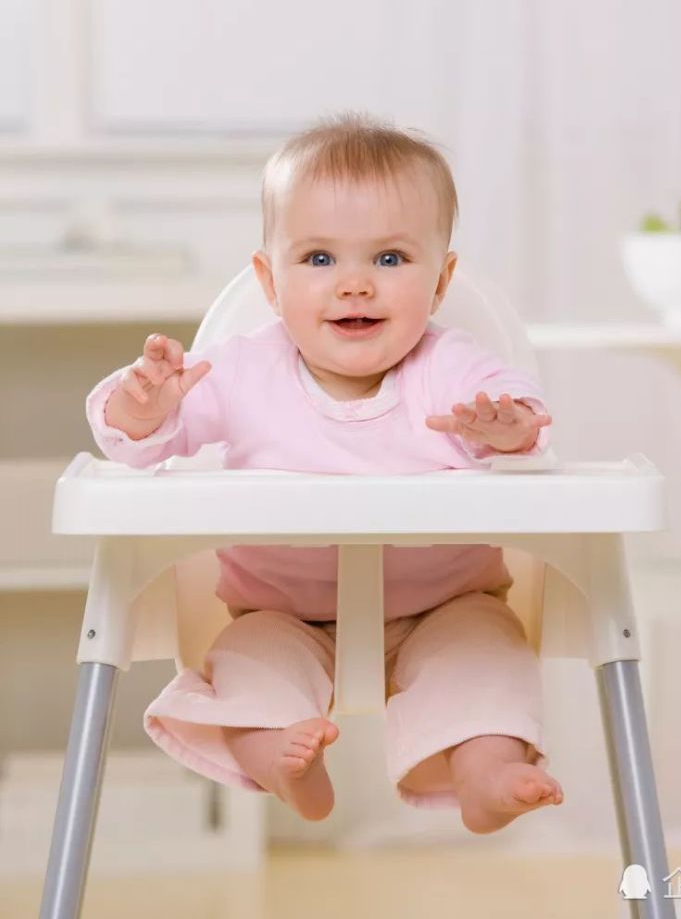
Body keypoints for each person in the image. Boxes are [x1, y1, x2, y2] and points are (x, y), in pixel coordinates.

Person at [85, 112, 564, 835]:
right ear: (269, 281)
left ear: (441, 281)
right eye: (318, 259)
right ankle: (281, 759)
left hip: (447, 605)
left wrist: (509, 428)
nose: (355, 285)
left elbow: (519, 414)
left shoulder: (450, 368)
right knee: (249, 665)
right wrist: (144, 407)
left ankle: (486, 774)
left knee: (487, 656)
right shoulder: (240, 371)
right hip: (282, 612)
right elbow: (145, 445)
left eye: (390, 259)